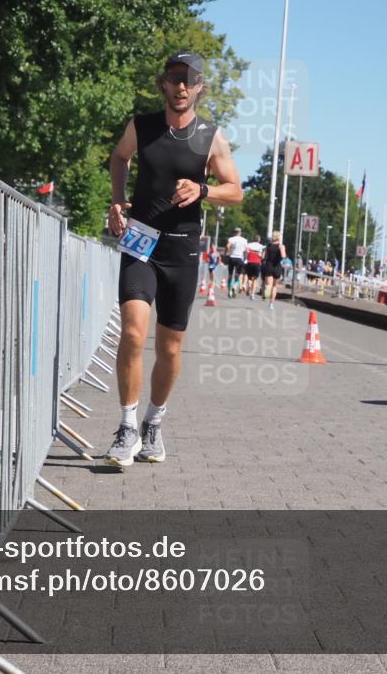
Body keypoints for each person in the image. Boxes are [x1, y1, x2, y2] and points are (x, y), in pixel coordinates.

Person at [105, 51, 242, 467]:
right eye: (174, 78)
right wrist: (116, 201)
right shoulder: (141, 126)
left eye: (189, 79)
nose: (181, 86)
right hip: (141, 240)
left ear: (200, 87)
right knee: (132, 333)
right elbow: (118, 158)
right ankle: (126, 426)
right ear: (163, 83)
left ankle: (153, 422)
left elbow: (235, 190)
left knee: (170, 347)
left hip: (182, 248)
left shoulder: (210, 138)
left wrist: (203, 191)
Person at [260, 230, 287, 310]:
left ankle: (266, 295)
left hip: (269, 266)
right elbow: (283, 256)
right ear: (279, 237)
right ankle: (271, 303)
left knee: (269, 285)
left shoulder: (268, 246)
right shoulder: (281, 246)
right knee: (275, 286)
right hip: (277, 266)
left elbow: (262, 257)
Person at [225, 226, 248, 297]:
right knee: (237, 275)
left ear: (234, 232)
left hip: (232, 257)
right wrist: (245, 258)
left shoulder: (231, 239)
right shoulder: (244, 240)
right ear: (240, 233)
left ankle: (229, 291)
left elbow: (227, 246)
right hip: (239, 259)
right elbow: (246, 250)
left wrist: (226, 253)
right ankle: (234, 286)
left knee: (230, 275)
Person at [244, 234, 264, 299]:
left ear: (253, 239)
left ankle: (249, 285)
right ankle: (252, 294)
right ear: (259, 240)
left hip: (249, 262)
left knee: (249, 277)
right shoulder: (262, 246)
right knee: (255, 279)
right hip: (257, 263)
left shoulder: (249, 245)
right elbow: (262, 256)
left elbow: (246, 252)